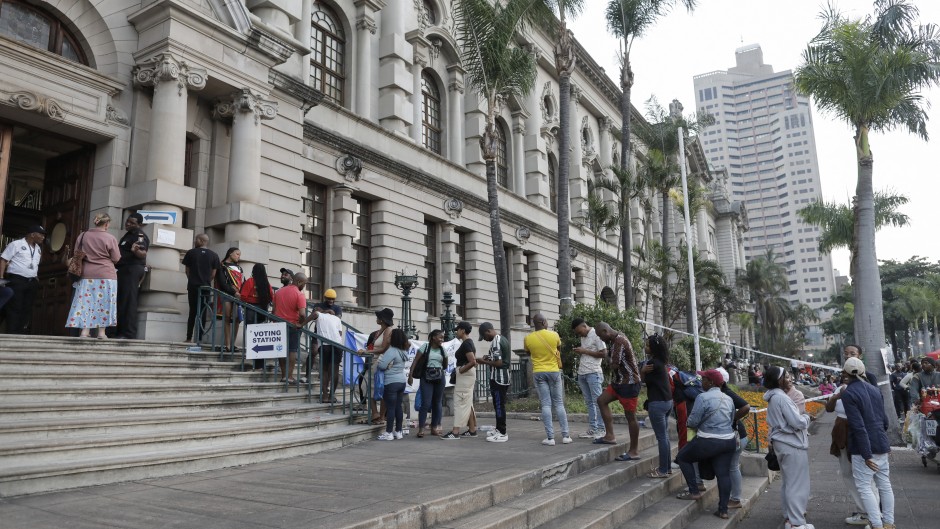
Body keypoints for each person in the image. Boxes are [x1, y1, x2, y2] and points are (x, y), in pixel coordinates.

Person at [674, 370, 737, 520]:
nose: (701, 382)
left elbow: (692, 422)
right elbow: (732, 418)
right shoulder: (728, 398)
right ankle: (723, 510)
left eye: (703, 379)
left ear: (710, 382)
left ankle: (694, 490)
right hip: (728, 440)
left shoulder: (702, 397)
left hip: (708, 440)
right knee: (723, 474)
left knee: (682, 457)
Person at [841, 357, 895, 529]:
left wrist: (866, 454)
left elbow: (858, 426)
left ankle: (877, 524)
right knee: (884, 484)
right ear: (863, 371)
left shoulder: (849, 393)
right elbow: (884, 420)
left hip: (863, 447)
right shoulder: (874, 389)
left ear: (845, 373)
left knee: (864, 487)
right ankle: (888, 523)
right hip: (881, 442)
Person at [826, 368, 880, 526]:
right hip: (842, 433)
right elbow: (829, 408)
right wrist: (836, 396)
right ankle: (864, 512)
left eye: (847, 374)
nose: (845, 377)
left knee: (865, 475)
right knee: (847, 472)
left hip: (859, 433)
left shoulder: (868, 388)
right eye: (843, 375)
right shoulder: (840, 389)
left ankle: (874, 514)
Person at [763, 366, 814, 529]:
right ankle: (796, 522)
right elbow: (796, 422)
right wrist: (806, 418)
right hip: (791, 443)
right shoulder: (781, 398)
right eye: (785, 375)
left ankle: (791, 518)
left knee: (789, 483)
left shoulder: (774, 396)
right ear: (779, 379)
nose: (789, 377)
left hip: (783, 443)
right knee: (797, 484)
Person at [64, 214, 121, 338]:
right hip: (106, 275)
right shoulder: (110, 238)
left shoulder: (83, 236)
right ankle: (101, 332)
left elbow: (76, 253)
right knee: (105, 302)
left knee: (86, 302)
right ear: (106, 224)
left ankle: (85, 331)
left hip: (86, 274)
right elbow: (116, 258)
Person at [594, 322, 641, 460]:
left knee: (631, 417)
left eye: (600, 336)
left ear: (605, 331)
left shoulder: (619, 341)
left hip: (629, 384)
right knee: (601, 400)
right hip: (619, 382)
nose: (601, 339)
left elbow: (614, 365)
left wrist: (606, 356)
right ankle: (609, 436)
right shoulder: (615, 339)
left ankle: (634, 451)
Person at [523, 313, 571, 446]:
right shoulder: (554, 335)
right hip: (554, 371)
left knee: (545, 404)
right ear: (544, 322)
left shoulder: (528, 338)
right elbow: (558, 350)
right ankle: (566, 435)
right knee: (559, 403)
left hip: (539, 372)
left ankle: (550, 438)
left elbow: (528, 353)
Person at [272, 272, 318, 383]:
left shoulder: (279, 292)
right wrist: (301, 324)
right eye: (304, 284)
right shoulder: (299, 294)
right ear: (299, 282)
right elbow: (302, 314)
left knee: (281, 350)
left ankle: (283, 375)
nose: (304, 286)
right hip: (292, 325)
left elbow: (273, 311)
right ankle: (289, 376)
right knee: (292, 351)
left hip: (279, 324)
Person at [0, 225, 45, 334]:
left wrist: (35, 276)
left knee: (27, 307)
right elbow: (3, 259)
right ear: (32, 234)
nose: (43, 237)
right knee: (15, 307)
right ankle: (12, 333)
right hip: (17, 280)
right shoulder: (16, 244)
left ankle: (20, 332)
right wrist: (1, 277)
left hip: (31, 282)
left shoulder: (38, 249)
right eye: (41, 234)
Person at [642, 334, 674, 479]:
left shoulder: (652, 364)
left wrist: (642, 371)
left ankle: (662, 470)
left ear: (654, 348)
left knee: (661, 437)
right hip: (667, 402)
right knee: (665, 437)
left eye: (648, 345)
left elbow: (643, 381)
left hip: (657, 403)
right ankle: (666, 468)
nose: (645, 347)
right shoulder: (661, 361)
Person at [718, 369, 751, 510]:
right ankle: (733, 496)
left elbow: (746, 406)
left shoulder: (727, 393)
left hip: (737, 436)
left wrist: (733, 419)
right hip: (737, 436)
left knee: (732, 467)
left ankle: (736, 499)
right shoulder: (722, 393)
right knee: (732, 467)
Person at [113, 212, 149, 339]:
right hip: (123, 270)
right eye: (127, 221)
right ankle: (117, 331)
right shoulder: (127, 235)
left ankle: (128, 333)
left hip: (132, 270)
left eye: (132, 223)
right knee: (121, 301)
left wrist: (136, 251)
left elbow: (142, 253)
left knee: (129, 301)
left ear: (140, 224)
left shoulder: (139, 235)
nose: (128, 224)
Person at [571, 318, 607, 440]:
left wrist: (584, 351)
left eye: (579, 332)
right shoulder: (583, 337)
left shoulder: (596, 335)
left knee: (598, 402)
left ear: (584, 326)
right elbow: (588, 352)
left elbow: (604, 353)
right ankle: (593, 429)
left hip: (594, 373)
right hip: (583, 373)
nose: (579, 335)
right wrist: (582, 352)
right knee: (589, 402)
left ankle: (602, 429)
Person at [476, 322, 512, 443]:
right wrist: (489, 357)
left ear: (488, 331)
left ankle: (502, 432)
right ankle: (499, 429)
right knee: (499, 405)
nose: (485, 340)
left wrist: (483, 361)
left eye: (484, 336)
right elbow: (499, 358)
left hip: (498, 378)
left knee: (498, 405)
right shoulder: (502, 339)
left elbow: (499, 363)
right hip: (503, 377)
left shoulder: (496, 342)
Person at [442, 321, 478, 439]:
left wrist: (461, 370)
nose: (456, 332)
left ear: (463, 330)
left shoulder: (466, 344)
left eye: (458, 330)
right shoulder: (469, 343)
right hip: (467, 375)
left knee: (460, 402)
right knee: (467, 402)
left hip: (465, 374)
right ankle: (472, 430)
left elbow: (472, 361)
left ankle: (455, 432)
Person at [182, 235, 220, 343]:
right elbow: (213, 274)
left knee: (192, 312)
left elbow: (187, 270)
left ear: (201, 240)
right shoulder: (214, 255)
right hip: (206, 287)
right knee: (202, 312)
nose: (195, 241)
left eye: (196, 239)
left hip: (193, 286)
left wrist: (192, 279)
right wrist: (205, 280)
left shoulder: (191, 252)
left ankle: (189, 338)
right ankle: (199, 338)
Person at [409, 329, 447, 437]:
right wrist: (410, 375)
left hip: (439, 377)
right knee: (425, 403)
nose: (442, 339)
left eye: (443, 338)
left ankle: (434, 427)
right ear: (434, 337)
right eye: (440, 337)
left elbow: (445, 365)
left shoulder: (442, 350)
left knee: (437, 403)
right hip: (426, 377)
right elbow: (415, 361)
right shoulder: (425, 347)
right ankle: (421, 429)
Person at [360, 308, 394, 424]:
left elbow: (383, 348)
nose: (377, 319)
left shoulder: (388, 330)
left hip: (381, 362)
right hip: (374, 361)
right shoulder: (379, 331)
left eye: (378, 317)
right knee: (367, 386)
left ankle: (380, 416)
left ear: (383, 319)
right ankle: (375, 413)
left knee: (378, 388)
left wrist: (366, 352)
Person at [376, 329, 410, 440]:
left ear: (394, 338)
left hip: (390, 382)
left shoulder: (392, 351)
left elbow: (381, 366)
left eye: (390, 335)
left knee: (390, 408)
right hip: (401, 381)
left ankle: (389, 433)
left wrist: (381, 363)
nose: (388, 337)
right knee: (398, 407)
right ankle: (398, 431)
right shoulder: (403, 351)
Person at [308, 289, 343, 395]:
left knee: (331, 369)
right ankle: (307, 375)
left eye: (332, 299)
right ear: (325, 298)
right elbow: (315, 314)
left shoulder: (337, 308)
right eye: (328, 298)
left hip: (333, 341)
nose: (330, 301)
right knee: (313, 353)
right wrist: (326, 312)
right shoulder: (318, 305)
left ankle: (329, 393)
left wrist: (322, 312)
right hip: (319, 336)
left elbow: (336, 320)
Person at [240, 263, 274, 369]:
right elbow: (271, 297)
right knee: (260, 338)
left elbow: (243, 296)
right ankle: (260, 364)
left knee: (253, 338)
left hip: (251, 311)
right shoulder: (266, 283)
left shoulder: (250, 281)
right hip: (262, 311)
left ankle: (256, 363)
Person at [216, 247, 244, 353]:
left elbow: (242, 282)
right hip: (227, 295)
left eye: (239, 255)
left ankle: (233, 343)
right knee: (227, 318)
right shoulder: (222, 266)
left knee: (237, 319)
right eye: (237, 254)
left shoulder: (240, 268)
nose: (239, 256)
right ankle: (227, 344)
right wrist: (234, 292)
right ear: (230, 254)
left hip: (238, 296)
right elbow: (222, 283)